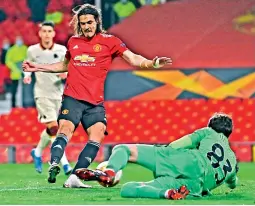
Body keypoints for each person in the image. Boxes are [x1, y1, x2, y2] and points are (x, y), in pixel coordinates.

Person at [22, 3, 172, 188]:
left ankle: (75, 177)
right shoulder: (73, 42)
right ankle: (54, 163)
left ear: (97, 22)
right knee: (64, 130)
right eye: (83, 23)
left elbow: (133, 58)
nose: (86, 26)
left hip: (95, 102)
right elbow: (64, 65)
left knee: (97, 135)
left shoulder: (111, 42)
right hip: (73, 97)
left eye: (90, 22)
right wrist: (38, 67)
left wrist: (152, 63)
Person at [76, 113, 239, 200]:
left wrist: (164, 155)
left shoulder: (208, 132)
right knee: (129, 189)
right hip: (196, 186)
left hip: (187, 161)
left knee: (124, 149)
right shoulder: (232, 161)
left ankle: (110, 172)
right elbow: (232, 183)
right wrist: (231, 183)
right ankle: (167, 193)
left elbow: (179, 144)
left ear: (211, 125)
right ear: (228, 134)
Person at [23, 21, 73, 177]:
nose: (46, 34)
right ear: (40, 33)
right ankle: (64, 164)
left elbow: (68, 68)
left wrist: (65, 74)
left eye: (49, 31)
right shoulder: (32, 50)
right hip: (42, 94)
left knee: (52, 128)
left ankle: (37, 152)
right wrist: (27, 76)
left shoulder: (62, 49)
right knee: (54, 128)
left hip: (58, 94)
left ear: (53, 33)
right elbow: (27, 66)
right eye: (43, 31)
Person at [5, 36, 27, 108]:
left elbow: (29, 58)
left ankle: (24, 105)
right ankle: (13, 105)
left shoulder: (25, 48)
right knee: (14, 90)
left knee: (25, 90)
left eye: (20, 39)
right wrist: (15, 68)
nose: (19, 41)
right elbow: (8, 61)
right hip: (15, 74)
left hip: (25, 73)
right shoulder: (11, 50)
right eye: (18, 40)